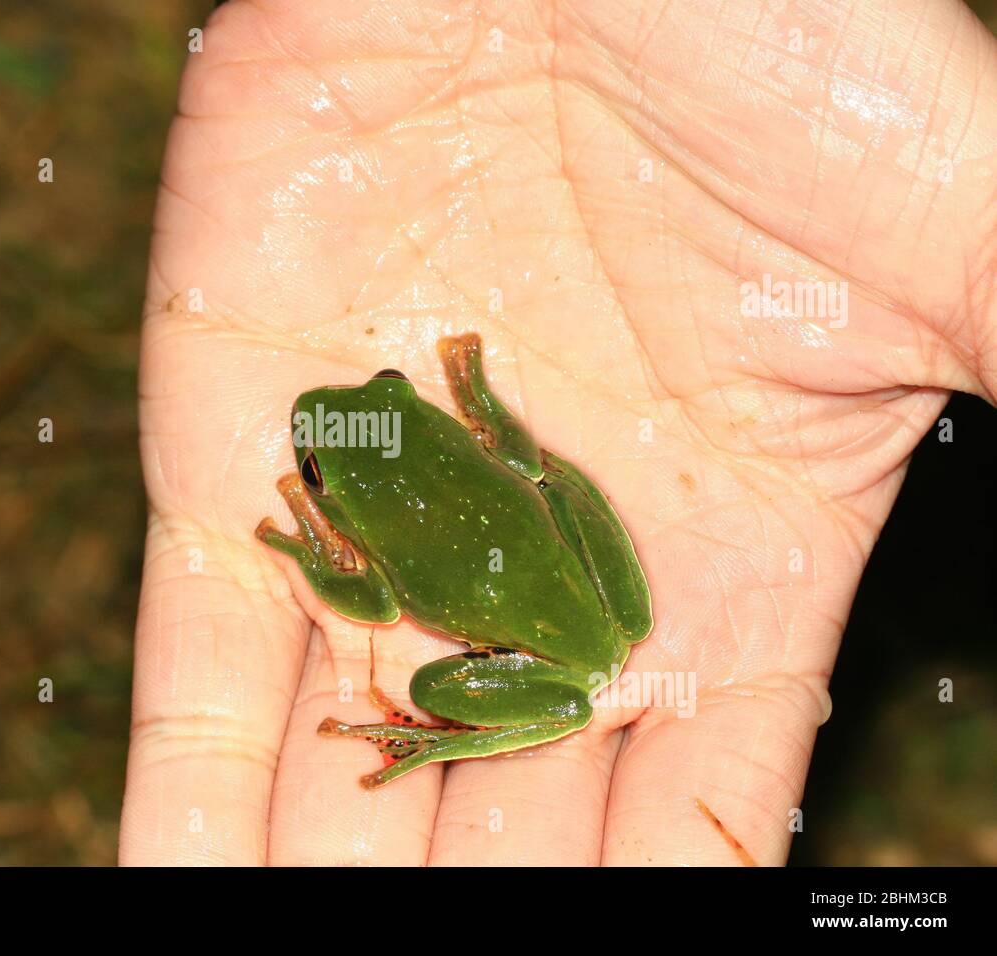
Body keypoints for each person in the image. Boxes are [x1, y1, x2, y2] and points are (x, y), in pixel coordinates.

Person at [120, 0, 997, 865]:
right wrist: (471, 412)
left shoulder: (379, 522)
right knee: (543, 489)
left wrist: (317, 549)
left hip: (558, 645)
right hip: (607, 611)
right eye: (319, 465)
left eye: (387, 394)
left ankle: (448, 737)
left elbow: (380, 601)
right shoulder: (467, 451)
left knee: (434, 680)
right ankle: (483, 712)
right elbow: (507, 474)